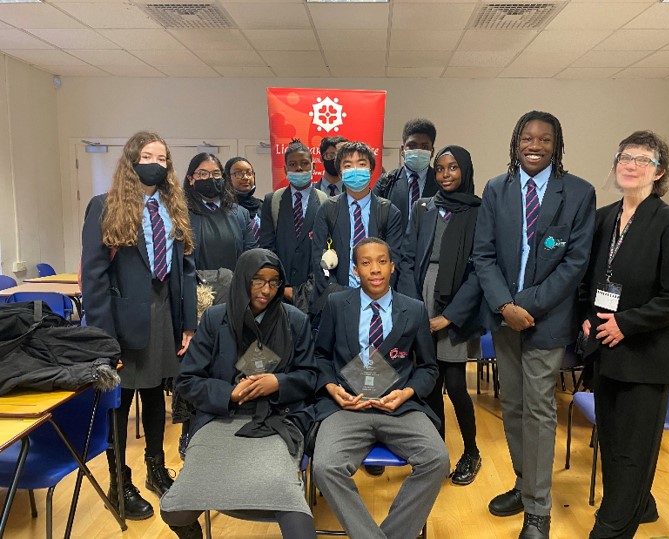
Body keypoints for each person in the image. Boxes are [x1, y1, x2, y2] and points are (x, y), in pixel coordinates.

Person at [474, 111, 596, 539]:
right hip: (505, 320)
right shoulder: (496, 188)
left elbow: (575, 264)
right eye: (527, 137)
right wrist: (504, 306)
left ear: (556, 145)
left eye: (545, 139)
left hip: (547, 320)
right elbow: (483, 255)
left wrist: (523, 305)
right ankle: (524, 484)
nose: (535, 145)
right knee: (512, 406)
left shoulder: (578, 192)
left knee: (540, 410)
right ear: (515, 141)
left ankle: (539, 510)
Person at [581, 131, 669, 539]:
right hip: (605, 351)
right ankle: (641, 506)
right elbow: (589, 279)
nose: (631, 165)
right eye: (625, 157)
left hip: (644, 356)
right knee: (613, 443)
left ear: (659, 172)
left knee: (633, 451)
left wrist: (626, 323)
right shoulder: (603, 218)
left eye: (643, 160)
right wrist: (586, 316)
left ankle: (612, 528)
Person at [160, 249, 319, 539]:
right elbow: (187, 380)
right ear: (243, 279)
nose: (266, 290)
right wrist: (229, 393)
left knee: (295, 518)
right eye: (258, 280)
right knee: (174, 510)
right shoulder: (214, 319)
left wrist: (278, 383)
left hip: (276, 421)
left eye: (274, 282)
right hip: (220, 418)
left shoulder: (295, 321)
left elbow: (310, 377)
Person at [81, 131, 197, 520]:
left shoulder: (173, 206)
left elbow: (186, 267)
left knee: (154, 396)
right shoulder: (104, 205)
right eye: (147, 156)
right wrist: (104, 337)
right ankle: (119, 482)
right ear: (132, 160)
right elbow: (94, 276)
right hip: (120, 322)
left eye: (162, 158)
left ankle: (155, 468)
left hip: (164, 315)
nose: (155, 164)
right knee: (120, 402)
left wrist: (188, 323)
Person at [312, 237, 449, 539]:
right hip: (347, 406)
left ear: (392, 266)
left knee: (437, 460)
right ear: (355, 270)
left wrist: (407, 393)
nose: (375, 269)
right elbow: (320, 356)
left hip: (399, 407)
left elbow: (428, 367)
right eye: (366, 263)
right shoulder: (337, 305)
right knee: (324, 467)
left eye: (382, 261)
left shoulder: (414, 310)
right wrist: (332, 388)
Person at [398, 145, 484, 486]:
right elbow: (406, 258)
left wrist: (449, 316)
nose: (445, 174)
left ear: (465, 170)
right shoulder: (423, 207)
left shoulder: (479, 211)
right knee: (429, 383)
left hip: (458, 302)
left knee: (457, 384)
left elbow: (480, 270)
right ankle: (436, 454)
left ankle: (471, 452)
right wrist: (413, 308)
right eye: (440, 169)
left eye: (453, 168)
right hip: (422, 296)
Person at [311, 141, 403, 312]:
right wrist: (338, 294)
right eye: (348, 165)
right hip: (336, 300)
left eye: (361, 164)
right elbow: (318, 260)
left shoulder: (389, 212)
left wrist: (374, 294)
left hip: (378, 301)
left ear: (371, 170)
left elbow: (394, 261)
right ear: (340, 173)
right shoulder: (327, 210)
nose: (355, 170)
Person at [260, 139, 327, 307]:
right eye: (293, 164)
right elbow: (267, 247)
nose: (299, 168)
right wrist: (280, 285)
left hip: (314, 290)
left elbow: (327, 251)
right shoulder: (272, 201)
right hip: (279, 290)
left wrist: (308, 289)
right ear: (285, 169)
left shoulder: (326, 202)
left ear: (313, 167)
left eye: (304, 163)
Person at [184, 153, 257, 272]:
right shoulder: (182, 215)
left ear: (223, 177)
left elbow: (251, 256)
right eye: (203, 174)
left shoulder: (241, 214)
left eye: (216, 173)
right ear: (191, 179)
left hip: (234, 282)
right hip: (196, 282)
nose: (210, 178)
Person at [373, 118, 438, 226]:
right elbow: (373, 219)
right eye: (412, 145)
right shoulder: (386, 182)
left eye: (424, 146)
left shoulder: (441, 182)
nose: (418, 150)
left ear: (432, 151)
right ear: (403, 150)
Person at [226, 156, 262, 243]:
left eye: (249, 173)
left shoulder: (263, 206)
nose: (245, 177)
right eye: (238, 173)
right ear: (227, 178)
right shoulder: (224, 208)